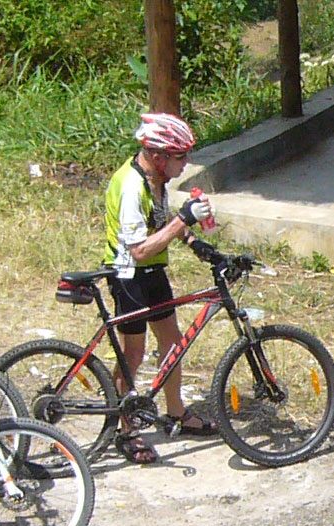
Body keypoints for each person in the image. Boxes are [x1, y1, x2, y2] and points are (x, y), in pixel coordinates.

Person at [103, 111, 219, 464]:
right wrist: (185, 218)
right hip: (129, 275)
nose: (186, 163)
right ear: (158, 156)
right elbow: (138, 250)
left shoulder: (154, 180)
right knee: (133, 354)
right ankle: (124, 430)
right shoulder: (130, 186)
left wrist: (193, 241)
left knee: (172, 343)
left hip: (153, 271)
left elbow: (159, 218)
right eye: (180, 156)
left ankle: (176, 412)